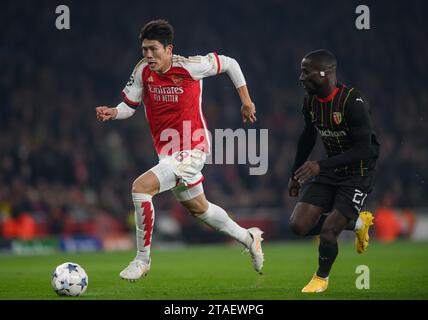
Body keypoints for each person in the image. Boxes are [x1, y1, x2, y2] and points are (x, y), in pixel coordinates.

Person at [95, 19, 264, 281]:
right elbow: (130, 105)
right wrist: (113, 112)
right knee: (201, 209)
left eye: (154, 49)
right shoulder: (142, 71)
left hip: (193, 147)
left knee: (140, 188)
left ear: (169, 49)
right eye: (144, 50)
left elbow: (230, 63)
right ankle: (249, 237)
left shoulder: (190, 66)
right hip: (168, 153)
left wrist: (246, 101)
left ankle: (142, 260)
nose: (148, 56)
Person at [288, 49, 380, 293]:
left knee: (329, 231)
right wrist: (294, 174)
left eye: (306, 72)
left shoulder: (352, 102)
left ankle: (321, 278)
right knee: (298, 226)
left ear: (324, 73)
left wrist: (319, 166)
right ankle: (358, 222)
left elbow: (365, 150)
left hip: (358, 173)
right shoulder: (310, 102)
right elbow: (307, 137)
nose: (301, 78)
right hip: (331, 169)